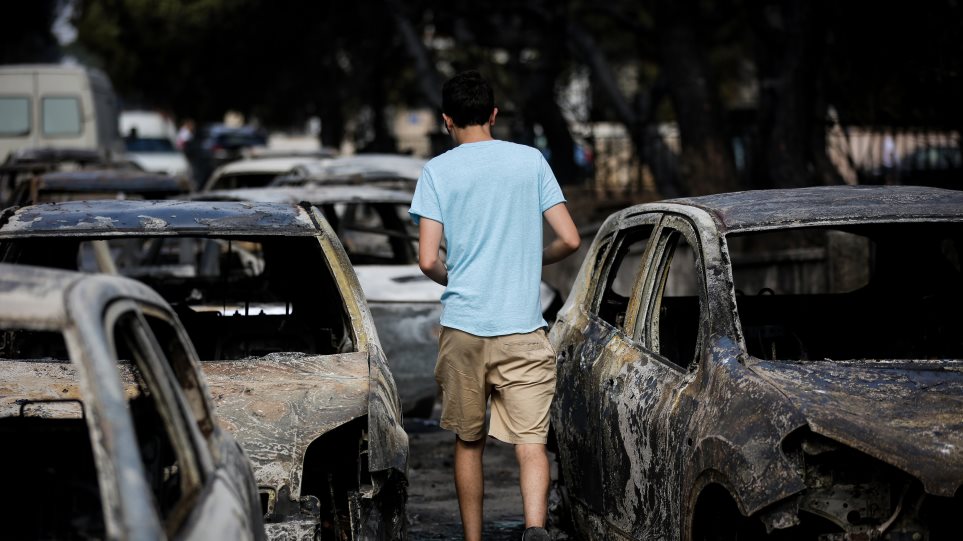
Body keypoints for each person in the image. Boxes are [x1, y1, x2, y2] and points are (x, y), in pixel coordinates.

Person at [409, 70, 581, 541]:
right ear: (493, 114)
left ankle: (473, 538)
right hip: (523, 328)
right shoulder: (530, 161)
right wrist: (533, 261)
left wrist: (457, 276)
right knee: (531, 443)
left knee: (469, 441)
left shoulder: (437, 172)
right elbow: (569, 238)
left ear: (447, 120)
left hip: (463, 327)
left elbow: (427, 259)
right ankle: (535, 530)